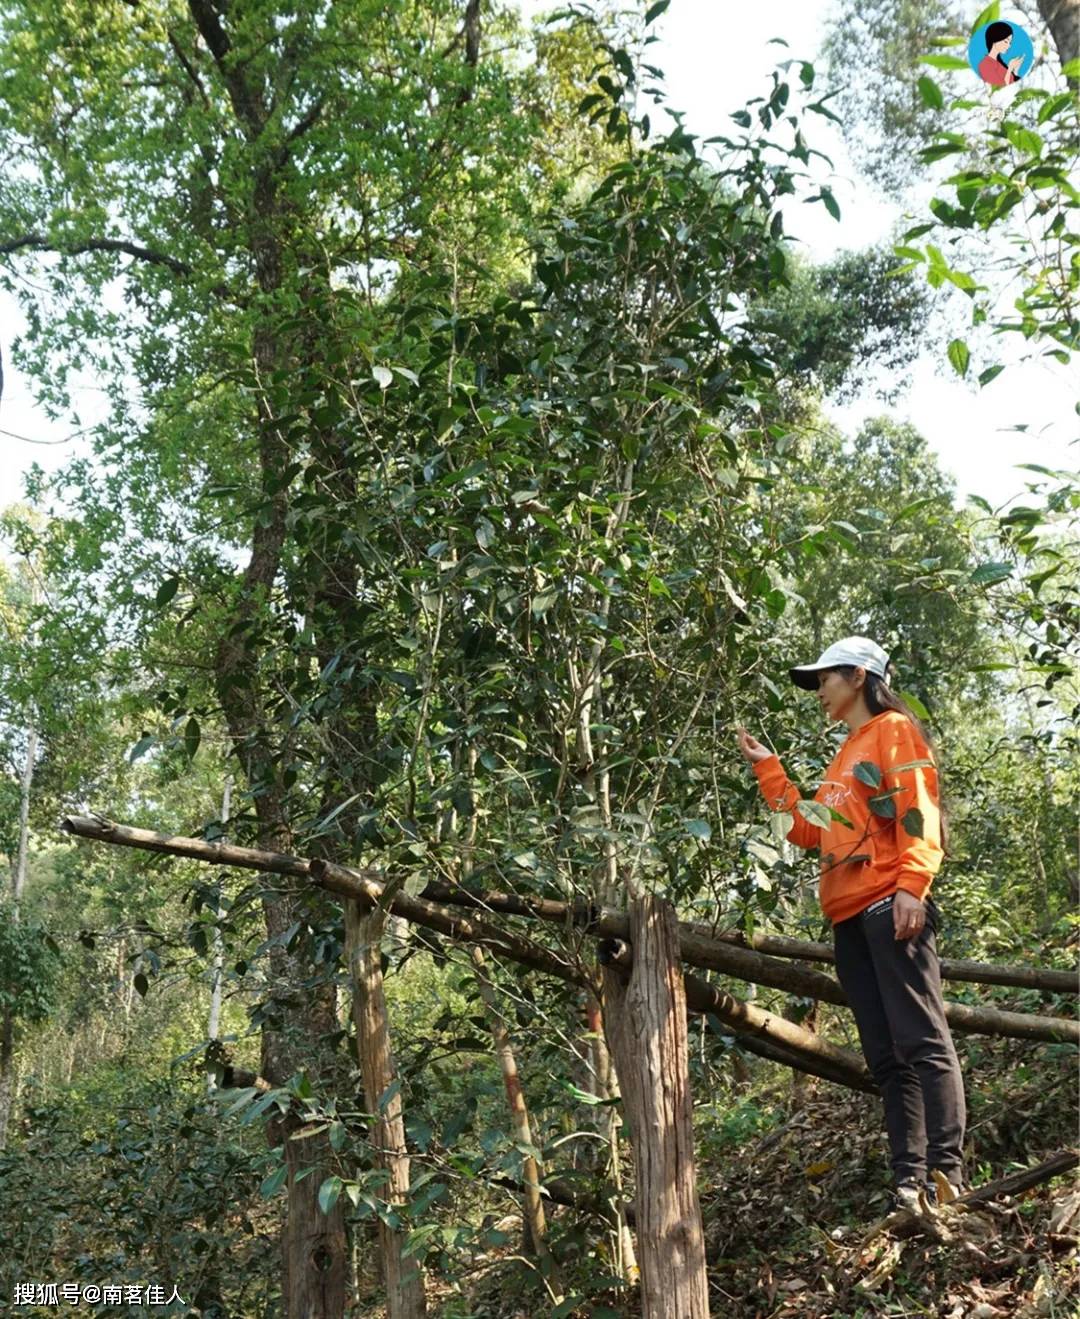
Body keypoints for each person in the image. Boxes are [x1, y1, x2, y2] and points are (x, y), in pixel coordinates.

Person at [736, 635, 968, 1214]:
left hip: (890, 902)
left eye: (824, 679)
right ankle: (909, 1184)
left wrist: (913, 886)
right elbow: (810, 831)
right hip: (846, 918)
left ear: (858, 677)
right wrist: (770, 770)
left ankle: (948, 1173)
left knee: (921, 1040)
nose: (819, 691)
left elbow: (919, 807)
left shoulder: (893, 732)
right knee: (886, 1055)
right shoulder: (846, 753)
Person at [977, 21, 1025, 86]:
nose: (1009, 46)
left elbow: (1013, 84)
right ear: (995, 39)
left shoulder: (1001, 64)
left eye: (1010, 42)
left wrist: (1015, 70)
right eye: (1006, 41)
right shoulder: (985, 64)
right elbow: (998, 86)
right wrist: (1010, 68)